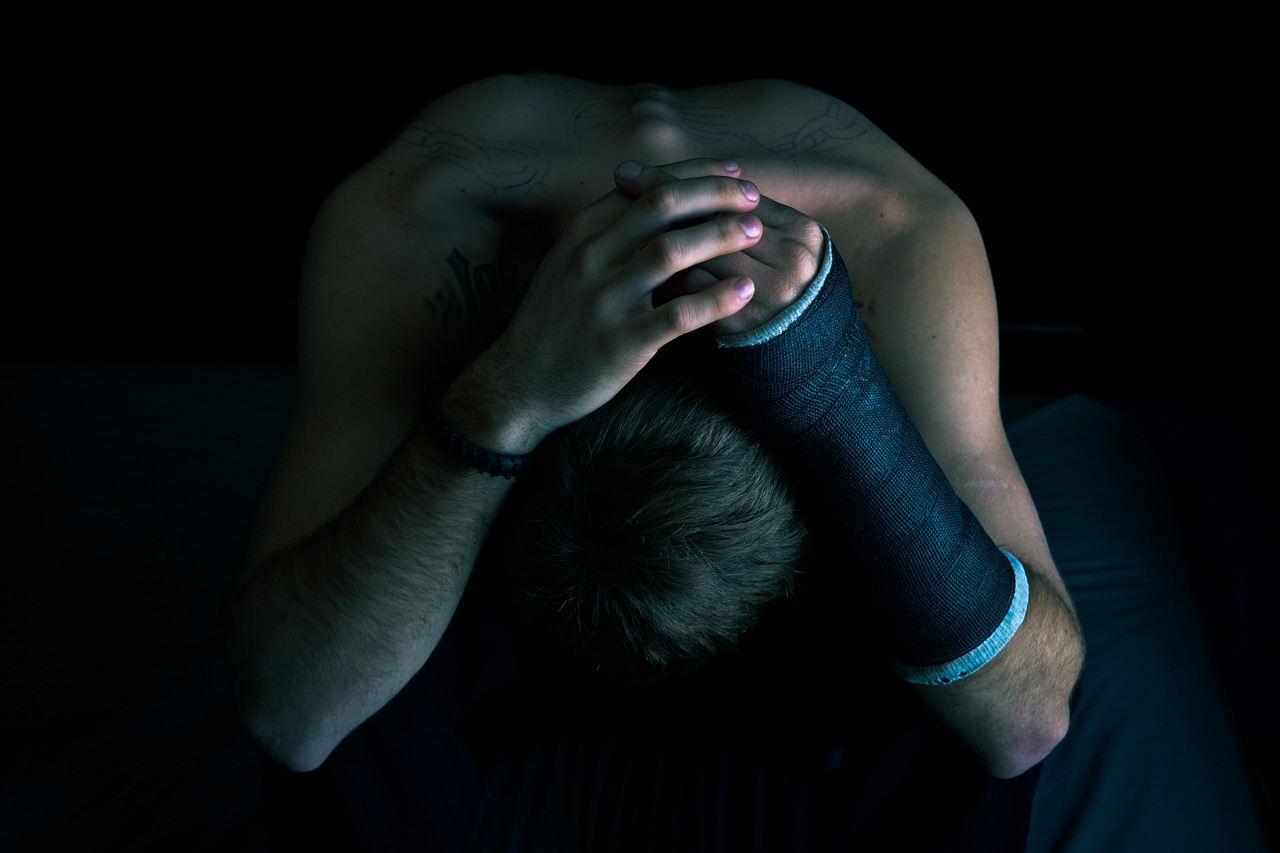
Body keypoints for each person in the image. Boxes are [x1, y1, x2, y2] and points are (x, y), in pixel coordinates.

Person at [222, 73, 1271, 851]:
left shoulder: (898, 231)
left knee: (963, 641)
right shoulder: (414, 224)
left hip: (807, 569)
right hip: (506, 561)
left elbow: (1031, 714)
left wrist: (836, 398)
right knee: (348, 635)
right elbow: (289, 713)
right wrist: (496, 404)